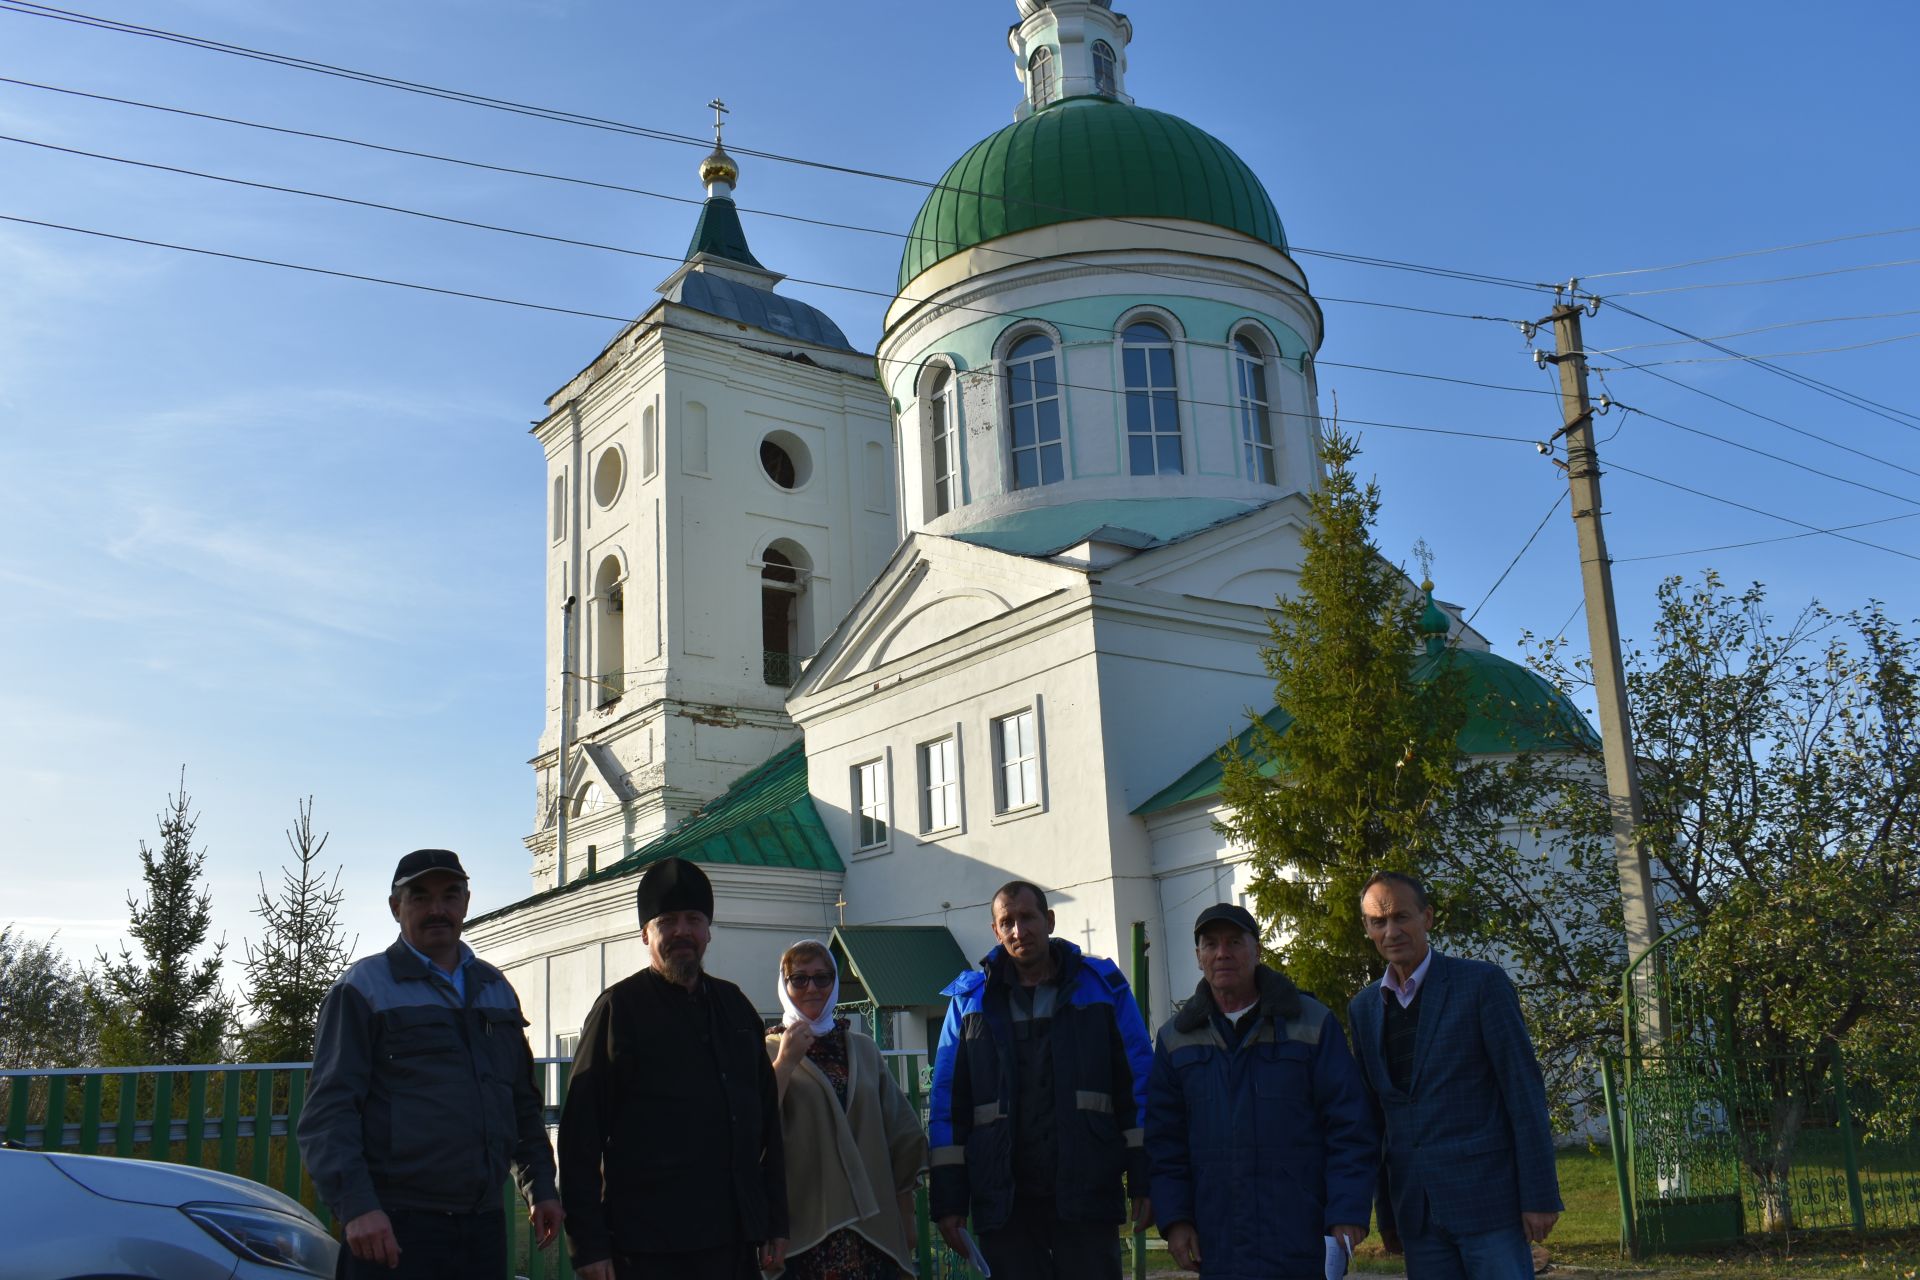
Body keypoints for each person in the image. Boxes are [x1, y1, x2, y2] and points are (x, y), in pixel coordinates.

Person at [299, 848, 562, 1279]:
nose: (437, 909)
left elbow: (520, 1104)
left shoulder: (495, 989)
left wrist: (541, 1187)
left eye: (450, 895)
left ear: (466, 902)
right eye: (420, 897)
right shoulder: (363, 990)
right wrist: (358, 1207)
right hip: (394, 1229)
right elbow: (329, 1113)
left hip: (482, 1228)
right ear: (395, 907)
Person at [558, 856, 788, 1280]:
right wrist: (588, 1246)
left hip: (733, 1241)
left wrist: (774, 1220)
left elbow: (765, 1124)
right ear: (646, 932)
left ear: (707, 932)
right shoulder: (619, 1010)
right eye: (668, 920)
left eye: (693, 919)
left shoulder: (735, 1007)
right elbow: (579, 1139)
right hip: (647, 1247)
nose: (682, 931)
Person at [928, 880, 1154, 1280]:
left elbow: (1138, 1084)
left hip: (1087, 1190)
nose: (1019, 931)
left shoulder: (1104, 988)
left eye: (1028, 918)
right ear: (995, 931)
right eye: (1007, 922)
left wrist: (1145, 1177)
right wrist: (949, 1199)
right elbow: (948, 1104)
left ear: (1048, 920)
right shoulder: (968, 1001)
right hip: (1004, 1200)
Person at [1348, 871, 1562, 1279]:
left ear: (1426, 917)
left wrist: (1539, 1196)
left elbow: (1523, 1092)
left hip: (1489, 1206)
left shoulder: (1481, 984)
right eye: (1379, 921)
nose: (1391, 931)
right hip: (1418, 1216)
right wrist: (1388, 1213)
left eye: (1401, 917)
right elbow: (1376, 1120)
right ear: (1368, 928)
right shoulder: (1364, 1009)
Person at [1145, 903, 1375, 1279]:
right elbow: (1164, 1143)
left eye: (1235, 942)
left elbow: (1350, 1126)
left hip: (1299, 1233)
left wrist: (1347, 1211)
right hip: (1217, 1241)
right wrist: (1176, 1220)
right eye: (1211, 944)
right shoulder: (1175, 1039)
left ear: (1257, 950)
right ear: (1198, 956)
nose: (1223, 953)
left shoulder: (1311, 1023)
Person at [765, 939, 928, 1279]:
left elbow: (902, 1136)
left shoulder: (863, 1049)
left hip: (873, 1228)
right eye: (799, 978)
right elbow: (754, 1126)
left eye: (823, 978)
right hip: (806, 1229)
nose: (812, 987)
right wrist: (785, 1063)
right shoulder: (766, 1050)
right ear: (784, 985)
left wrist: (906, 1216)